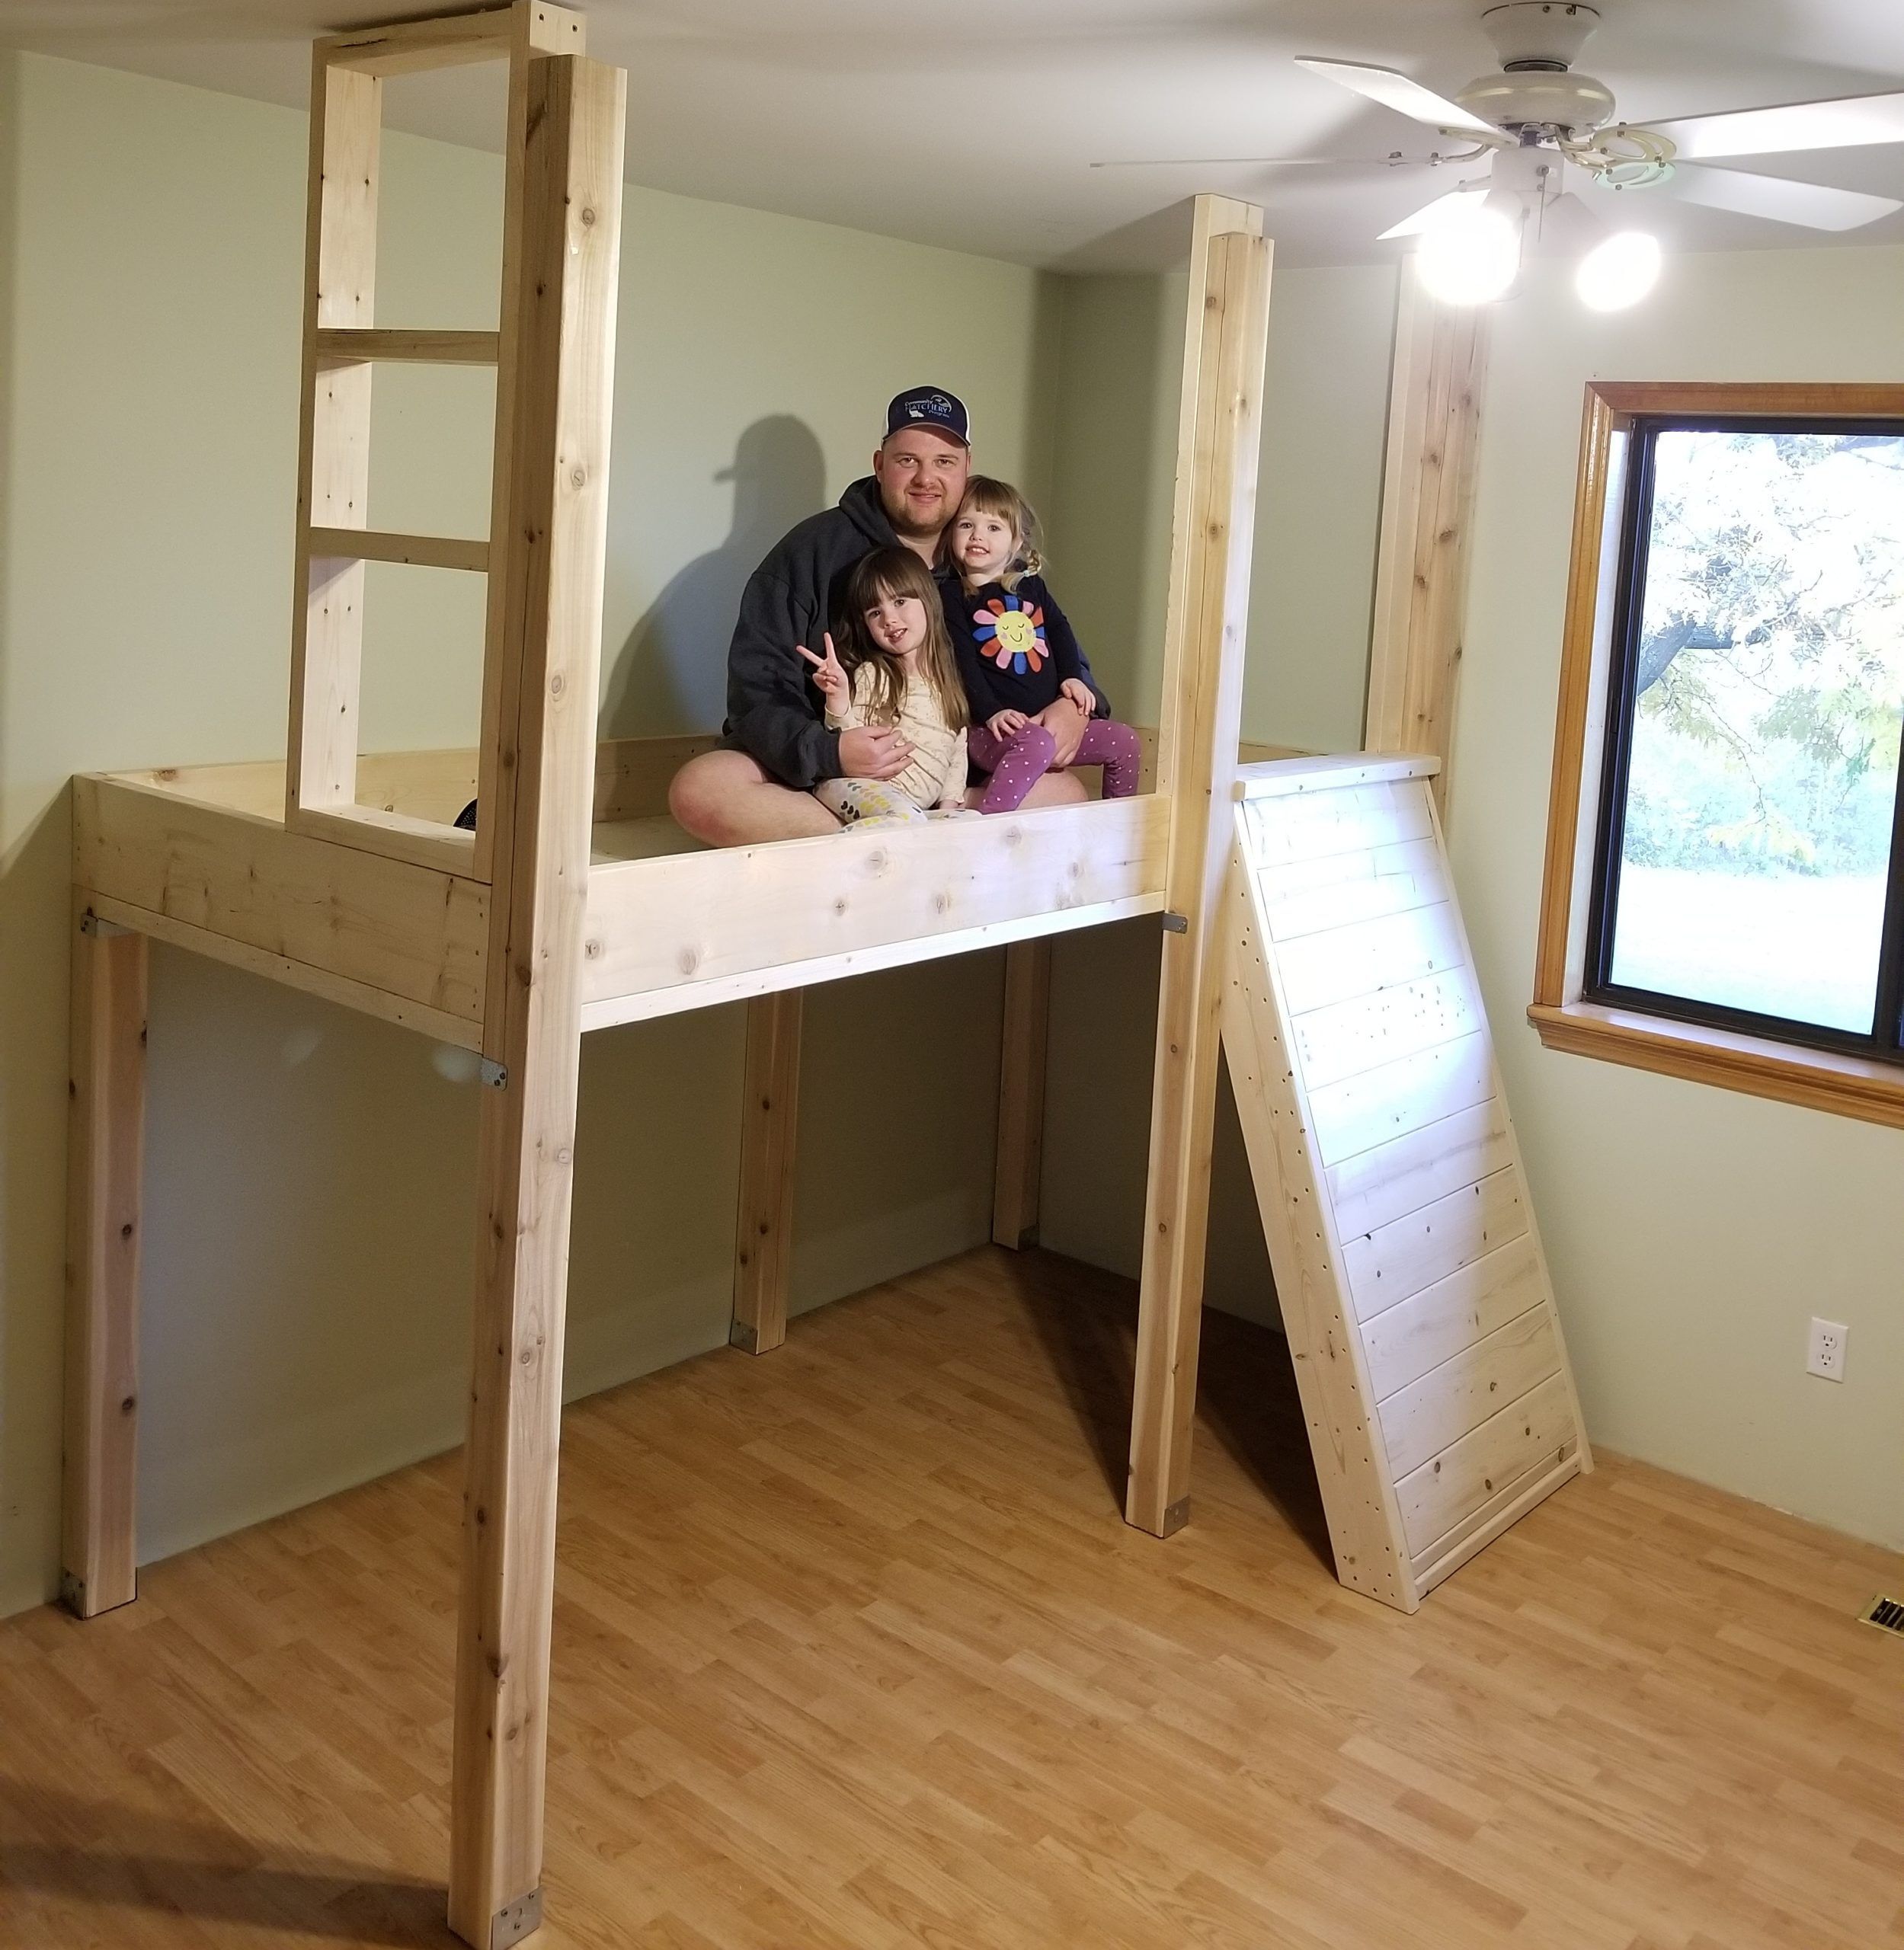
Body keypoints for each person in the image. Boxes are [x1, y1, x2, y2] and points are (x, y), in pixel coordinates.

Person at [667, 386, 1093, 845]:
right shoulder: (811, 551)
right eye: (907, 460)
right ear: (879, 464)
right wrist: (830, 751)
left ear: (966, 468)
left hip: (955, 774)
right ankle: (906, 840)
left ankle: (912, 834)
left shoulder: (987, 552)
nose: (925, 478)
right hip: (828, 779)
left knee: (1066, 792)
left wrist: (1076, 701)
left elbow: (1047, 642)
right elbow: (757, 689)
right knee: (702, 790)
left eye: (944, 462)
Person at [944, 477, 1144, 814]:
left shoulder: (1030, 588)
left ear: (1016, 541)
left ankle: (1118, 829)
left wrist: (1071, 678)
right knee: (1035, 745)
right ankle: (987, 827)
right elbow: (962, 663)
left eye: (994, 527)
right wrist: (991, 712)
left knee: (1124, 742)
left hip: (1047, 726)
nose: (978, 535)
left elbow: (1059, 629)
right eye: (967, 525)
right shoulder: (952, 596)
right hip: (991, 731)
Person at [800, 549, 971, 827]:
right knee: (904, 819)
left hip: (913, 812)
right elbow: (848, 739)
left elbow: (957, 752)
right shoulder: (875, 675)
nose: (889, 619)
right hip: (859, 791)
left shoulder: (949, 683)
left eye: (900, 601)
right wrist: (838, 695)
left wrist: (949, 808)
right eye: (875, 612)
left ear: (929, 601)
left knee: (969, 820)